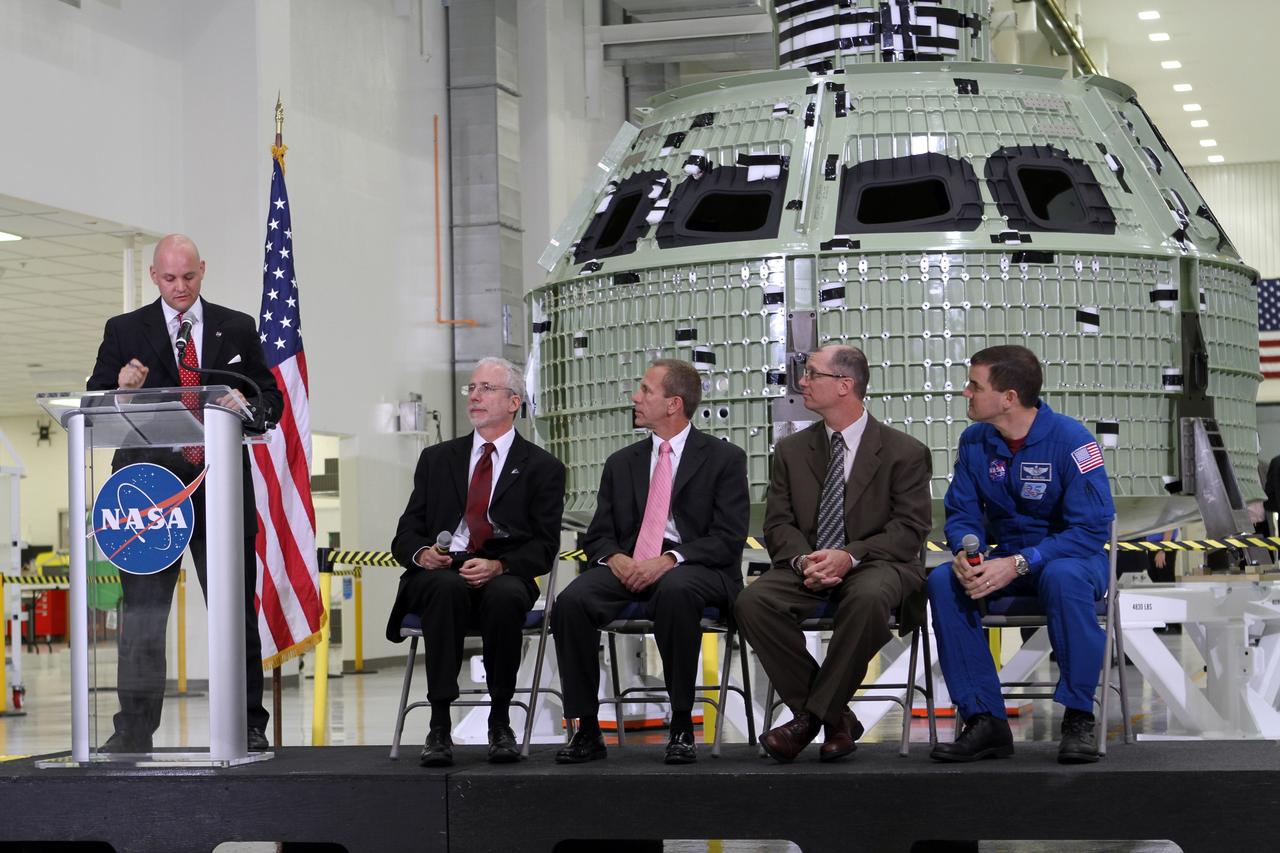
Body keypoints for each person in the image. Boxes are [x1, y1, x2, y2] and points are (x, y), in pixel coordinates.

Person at [87, 234, 282, 752]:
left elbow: (271, 401)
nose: (180, 287)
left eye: (189, 277)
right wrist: (122, 390)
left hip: (218, 489)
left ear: (203, 271)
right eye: (169, 278)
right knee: (143, 616)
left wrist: (249, 404)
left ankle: (246, 723)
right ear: (153, 276)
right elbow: (97, 403)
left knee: (233, 611)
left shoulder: (236, 326)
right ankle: (133, 730)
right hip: (149, 495)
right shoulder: (125, 330)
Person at [735, 345, 932, 762]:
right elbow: (778, 524)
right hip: (808, 563)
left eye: (811, 374)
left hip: (879, 563)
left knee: (866, 599)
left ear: (845, 385)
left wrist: (849, 555)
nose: (801, 382)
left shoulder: (906, 452)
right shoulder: (791, 451)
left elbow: (909, 531)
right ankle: (836, 718)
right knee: (754, 602)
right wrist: (805, 560)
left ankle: (808, 720)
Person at [551, 358, 749, 765]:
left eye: (645, 390)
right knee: (571, 602)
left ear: (674, 403)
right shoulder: (621, 463)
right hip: (630, 566)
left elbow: (727, 538)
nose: (635, 398)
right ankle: (586, 728)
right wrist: (616, 558)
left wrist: (671, 558)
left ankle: (681, 723)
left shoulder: (723, 460)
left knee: (676, 591)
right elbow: (598, 535)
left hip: (696, 569)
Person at [927, 345, 1115, 765]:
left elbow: (1089, 529)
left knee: (1063, 577)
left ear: (1008, 397)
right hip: (1005, 559)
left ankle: (1079, 715)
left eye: (974, 386)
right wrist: (965, 553)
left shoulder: (1072, 441)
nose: (966, 393)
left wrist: (1020, 562)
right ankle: (984, 719)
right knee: (943, 580)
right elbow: (961, 511)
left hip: (1074, 560)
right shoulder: (975, 441)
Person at [387, 357, 565, 766]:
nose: (476, 396)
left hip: (504, 569)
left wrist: (500, 566)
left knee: (504, 596)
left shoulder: (543, 468)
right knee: (445, 588)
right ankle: (438, 724)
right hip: (442, 571)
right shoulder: (437, 459)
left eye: (487, 388)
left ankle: (500, 721)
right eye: (473, 388)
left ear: (514, 401)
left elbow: (543, 545)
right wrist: (422, 554)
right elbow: (405, 534)